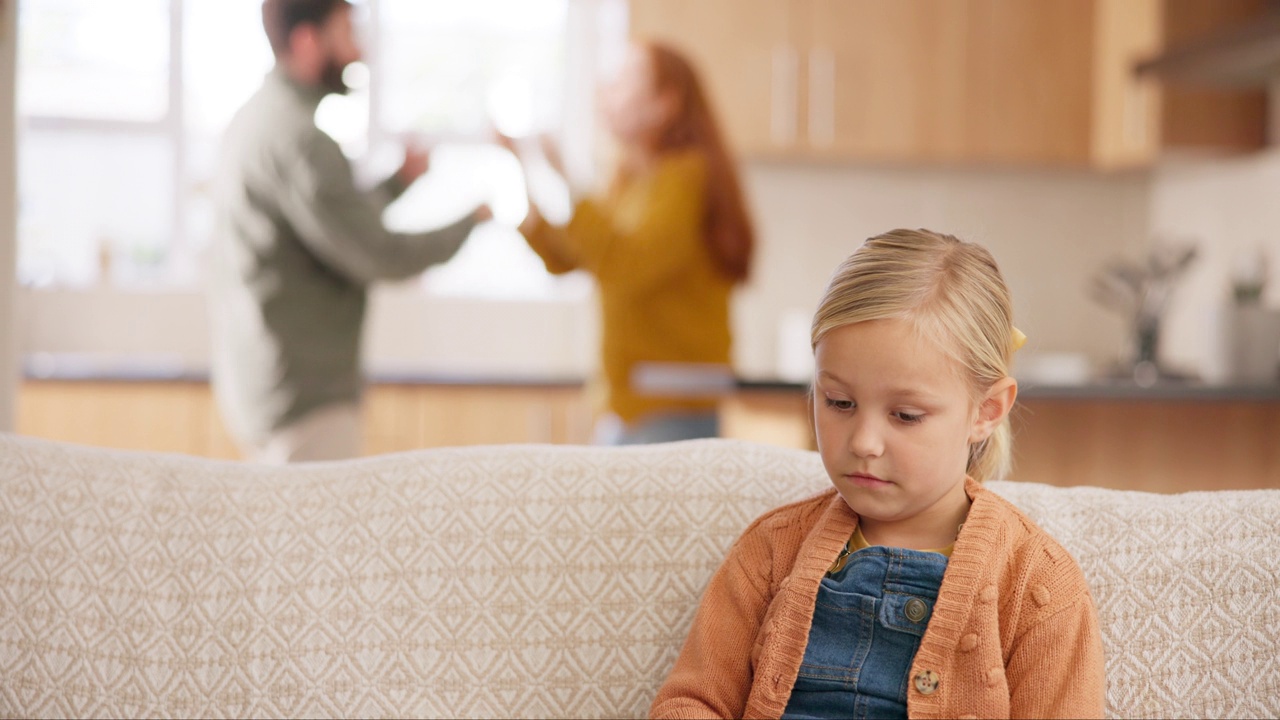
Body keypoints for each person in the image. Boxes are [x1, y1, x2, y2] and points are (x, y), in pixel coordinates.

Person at [650, 229, 1105, 718]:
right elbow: (692, 702)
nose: (863, 442)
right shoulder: (770, 553)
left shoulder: (1040, 588)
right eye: (839, 402)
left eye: (905, 415)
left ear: (986, 411)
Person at [208, 0, 490, 463]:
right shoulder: (302, 140)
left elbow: (329, 224)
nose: (360, 51)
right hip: (305, 404)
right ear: (307, 41)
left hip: (266, 390)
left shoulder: (260, 119)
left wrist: (398, 183)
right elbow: (378, 254)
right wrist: (471, 222)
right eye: (346, 31)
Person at [502, 40, 754, 445]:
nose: (605, 91)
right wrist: (526, 172)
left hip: (671, 401)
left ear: (664, 103)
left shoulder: (685, 177)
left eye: (623, 82)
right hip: (630, 401)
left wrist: (567, 176)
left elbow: (625, 264)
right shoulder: (631, 180)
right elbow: (572, 258)